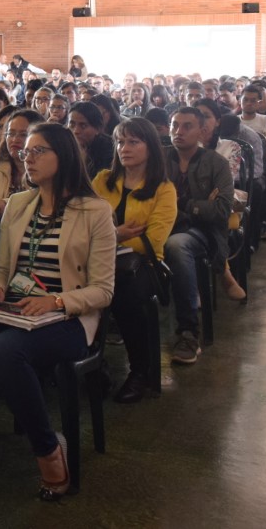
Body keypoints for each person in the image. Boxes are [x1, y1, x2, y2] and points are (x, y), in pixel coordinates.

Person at [0, 122, 116, 499]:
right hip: (15, 305)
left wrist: (55, 301)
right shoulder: (20, 204)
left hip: (67, 316)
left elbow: (103, 290)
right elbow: (2, 266)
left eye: (38, 151)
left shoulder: (96, 211)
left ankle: (49, 448)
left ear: (63, 155)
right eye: (25, 152)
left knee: (4, 350)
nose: (27, 158)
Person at [92, 117, 177, 403]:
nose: (123, 148)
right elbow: (83, 224)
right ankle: (93, 364)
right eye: (119, 141)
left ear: (150, 147)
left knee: (126, 292)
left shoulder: (163, 189)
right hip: (96, 258)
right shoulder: (103, 180)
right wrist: (115, 235)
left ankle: (140, 371)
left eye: (133, 142)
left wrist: (108, 237)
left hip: (141, 265)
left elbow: (151, 241)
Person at [162, 107, 235, 364]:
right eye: (174, 125)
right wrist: (197, 205)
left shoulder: (216, 163)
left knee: (177, 245)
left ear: (202, 131)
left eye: (186, 126)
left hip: (202, 234)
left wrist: (183, 204)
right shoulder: (160, 158)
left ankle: (188, 331)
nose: (178, 132)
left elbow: (222, 210)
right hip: (161, 226)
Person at [0, 109, 44, 219]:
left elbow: (37, 199)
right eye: (11, 133)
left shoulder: (44, 169)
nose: (15, 140)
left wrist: (6, 204)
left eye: (23, 134)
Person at [67, 101, 113, 179]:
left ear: (98, 128)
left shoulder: (109, 152)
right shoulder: (64, 146)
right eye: (72, 124)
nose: (75, 131)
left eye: (83, 125)